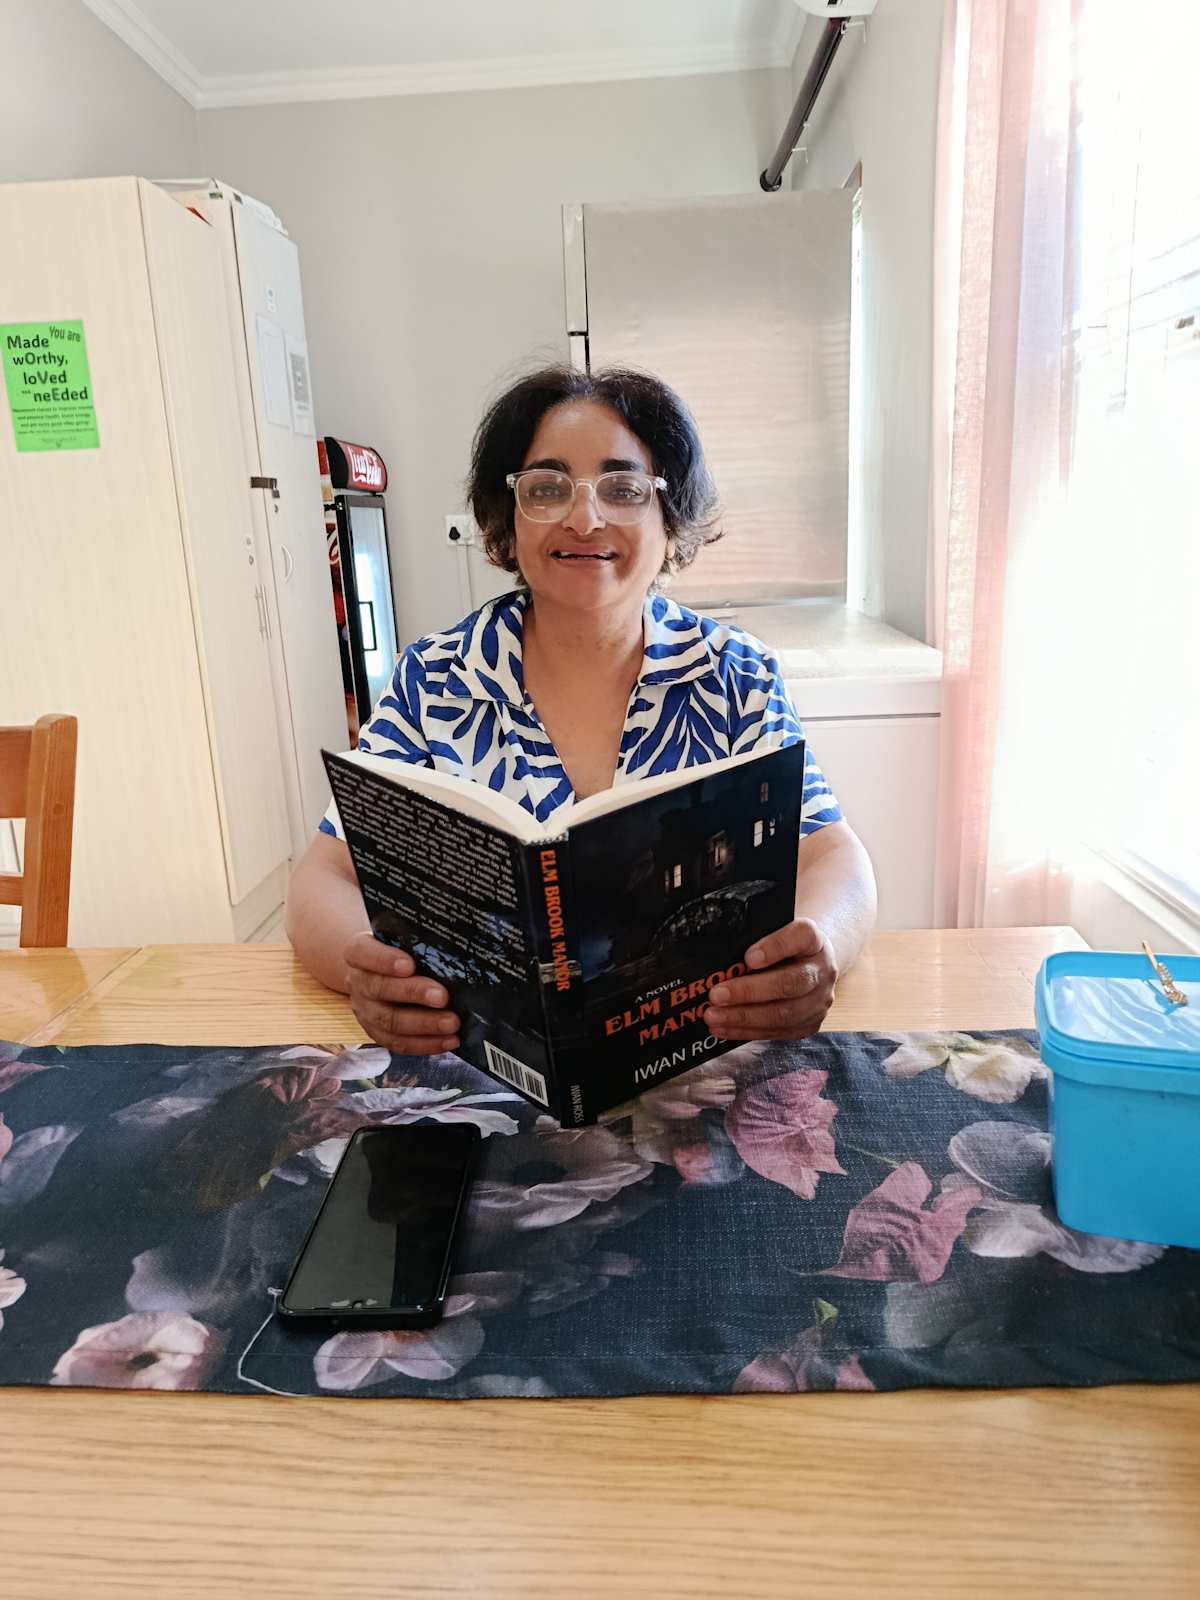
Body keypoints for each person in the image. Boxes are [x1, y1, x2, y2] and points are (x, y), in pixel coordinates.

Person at [287, 365, 877, 1055]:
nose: (585, 518)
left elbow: (832, 854)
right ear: (507, 517)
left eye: (624, 490)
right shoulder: (433, 680)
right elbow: (323, 878)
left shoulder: (737, 676)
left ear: (671, 522)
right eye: (547, 488)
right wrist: (367, 970)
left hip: (703, 1055)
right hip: (481, 1061)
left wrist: (822, 946)